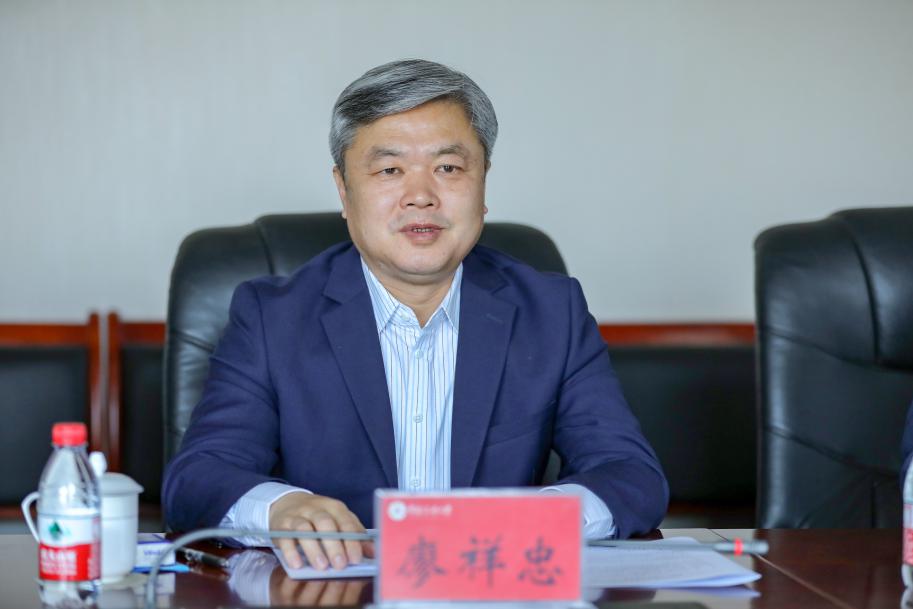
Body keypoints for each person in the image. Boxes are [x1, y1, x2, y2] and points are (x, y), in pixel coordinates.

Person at [163, 59, 668, 572]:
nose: (421, 196)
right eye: (390, 170)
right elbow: (199, 475)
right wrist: (279, 507)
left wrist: (536, 518)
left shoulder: (551, 312)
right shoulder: (273, 317)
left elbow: (629, 473)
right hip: (331, 591)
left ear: (483, 184)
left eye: (448, 168)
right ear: (344, 190)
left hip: (491, 592)